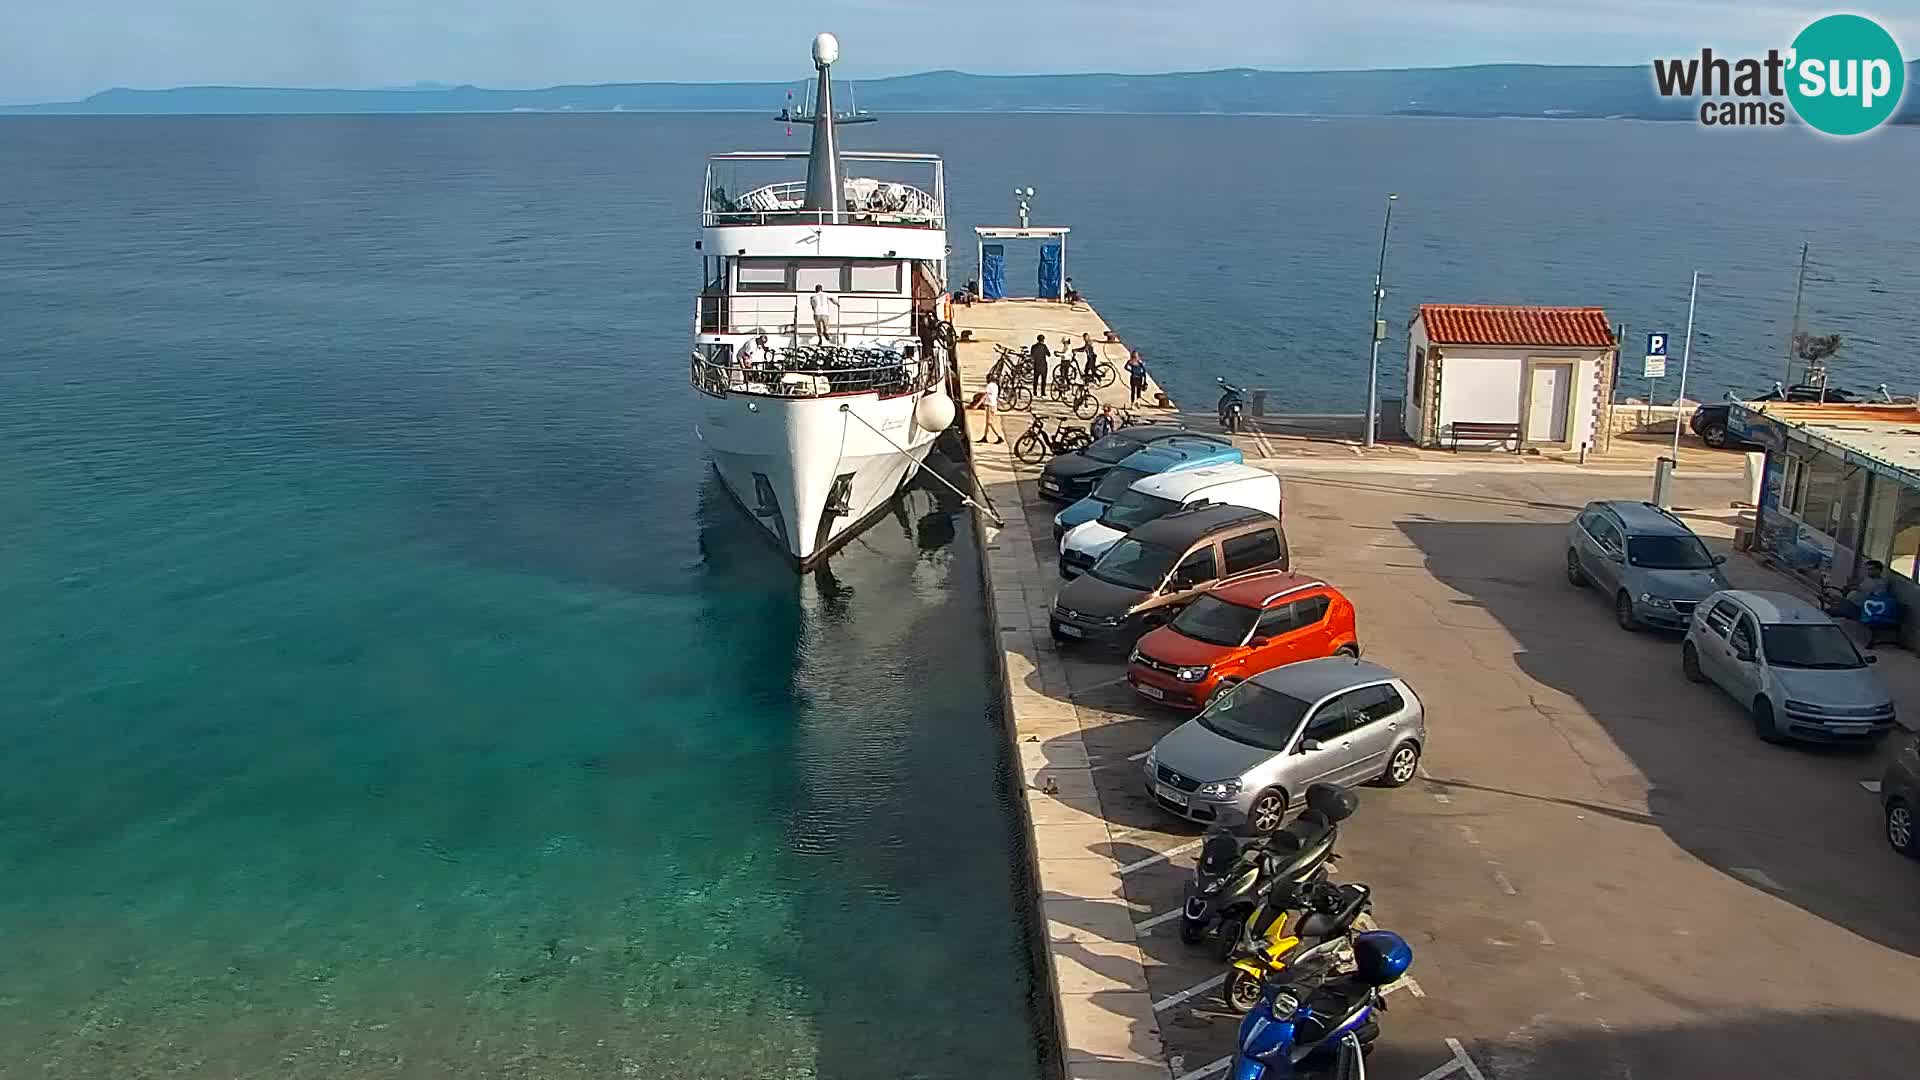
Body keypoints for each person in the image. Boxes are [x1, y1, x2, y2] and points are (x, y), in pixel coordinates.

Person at [976, 374, 1005, 444]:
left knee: (989, 422)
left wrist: (977, 405)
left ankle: (999, 436)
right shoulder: (995, 386)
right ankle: (985, 437)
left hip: (990, 406)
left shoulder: (989, 386)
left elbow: (985, 396)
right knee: (987, 423)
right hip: (994, 405)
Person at [1028, 334, 1051, 398]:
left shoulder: (1033, 346)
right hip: (1043, 365)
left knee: (1035, 380)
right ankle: (1043, 393)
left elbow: (1031, 355)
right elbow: (1049, 354)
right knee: (1043, 380)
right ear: (1043, 340)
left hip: (1036, 365)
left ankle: (1034, 392)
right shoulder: (1044, 346)